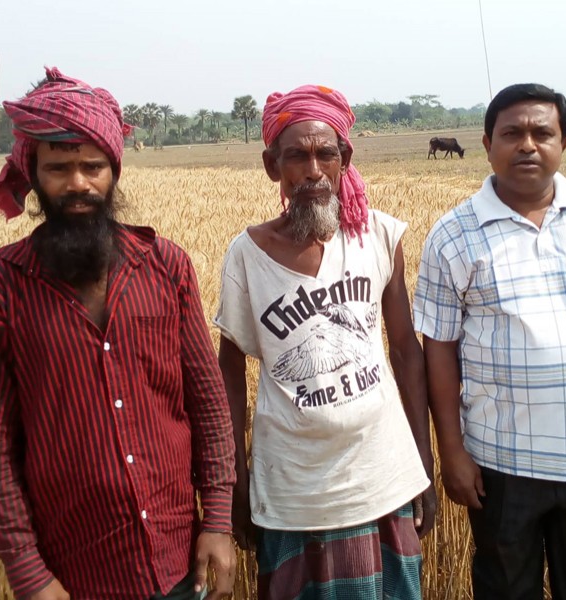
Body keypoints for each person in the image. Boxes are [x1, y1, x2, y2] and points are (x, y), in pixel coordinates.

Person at [0, 67, 236, 600]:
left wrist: (218, 521)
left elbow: (206, 402)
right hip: (75, 576)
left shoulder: (166, 266)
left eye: (93, 166)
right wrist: (29, 576)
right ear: (34, 174)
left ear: (114, 169)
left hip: (180, 562)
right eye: (59, 168)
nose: (78, 183)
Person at [413, 83, 566, 600]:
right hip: (501, 465)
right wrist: (452, 452)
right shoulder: (453, 235)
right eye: (512, 133)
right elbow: (438, 349)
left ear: (563, 143)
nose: (527, 144)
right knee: (505, 589)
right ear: (486, 144)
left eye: (541, 133)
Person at [214, 84, 436, 600]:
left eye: (325, 154)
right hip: (294, 490)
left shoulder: (379, 237)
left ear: (344, 160)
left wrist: (422, 460)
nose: (312, 170)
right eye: (297, 156)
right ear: (273, 166)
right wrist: (235, 482)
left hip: (384, 479)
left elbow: (405, 350)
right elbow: (230, 372)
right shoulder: (246, 255)